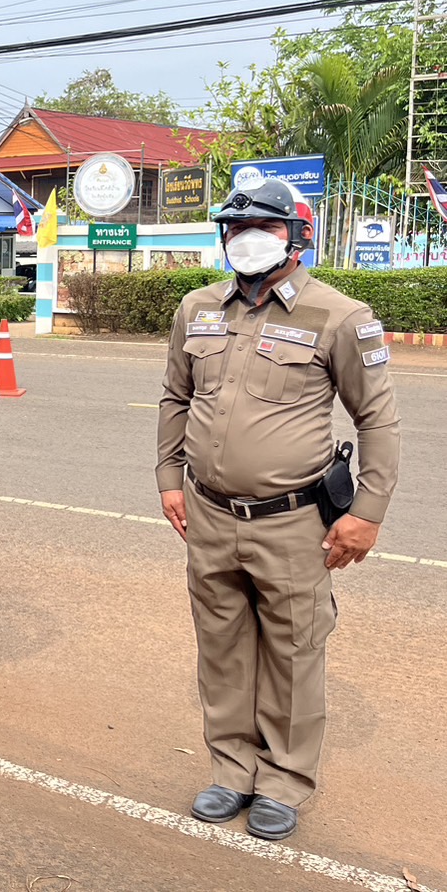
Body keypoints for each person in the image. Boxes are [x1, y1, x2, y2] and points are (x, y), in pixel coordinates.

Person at [156, 178, 400, 841]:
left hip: (291, 520)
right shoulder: (198, 308)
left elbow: (377, 420)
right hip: (208, 513)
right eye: (235, 229)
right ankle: (231, 770)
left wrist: (368, 511)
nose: (246, 239)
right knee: (222, 647)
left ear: (296, 236)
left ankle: (284, 780)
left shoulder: (339, 316)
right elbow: (175, 398)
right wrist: (168, 476)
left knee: (293, 650)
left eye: (262, 227)